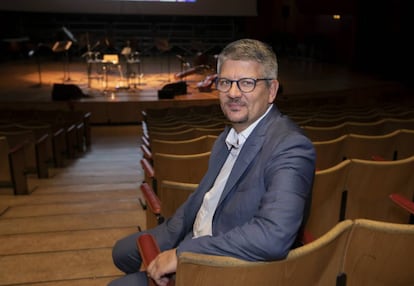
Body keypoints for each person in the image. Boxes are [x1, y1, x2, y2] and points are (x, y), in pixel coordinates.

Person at [108, 38, 316, 286]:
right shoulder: (227, 137)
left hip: (227, 268)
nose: (233, 93)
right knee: (121, 252)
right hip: (198, 236)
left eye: (247, 83)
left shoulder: (290, 146)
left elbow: (273, 236)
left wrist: (183, 253)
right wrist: (170, 238)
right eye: (225, 82)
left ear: (271, 90)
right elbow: (204, 199)